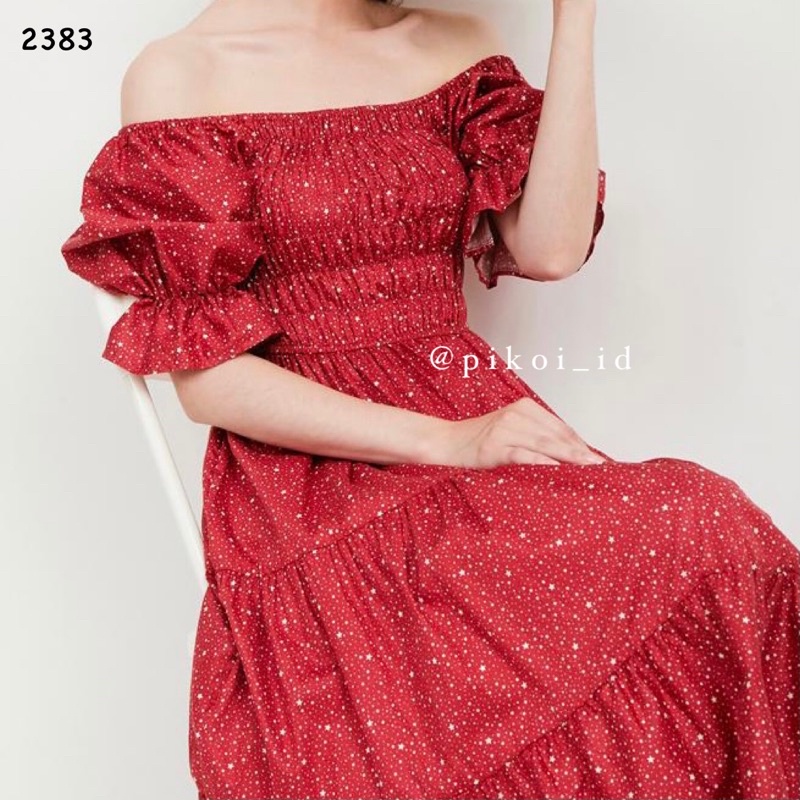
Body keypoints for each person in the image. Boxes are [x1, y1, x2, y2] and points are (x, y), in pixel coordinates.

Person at [60, 0, 800, 798]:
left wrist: (575, 22)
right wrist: (449, 442)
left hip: (474, 414)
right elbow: (211, 383)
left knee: (708, 526)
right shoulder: (181, 72)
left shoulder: (451, 41)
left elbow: (552, 249)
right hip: (312, 473)